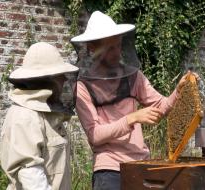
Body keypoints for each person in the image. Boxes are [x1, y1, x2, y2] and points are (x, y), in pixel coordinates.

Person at [71, 11, 197, 190]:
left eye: (118, 46)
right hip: (109, 170)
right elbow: (95, 135)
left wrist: (179, 91)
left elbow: (161, 106)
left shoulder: (133, 77)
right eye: (110, 48)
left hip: (140, 164)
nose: (117, 53)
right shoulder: (83, 87)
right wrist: (132, 118)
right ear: (92, 47)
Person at [0, 42, 78, 190]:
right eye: (60, 77)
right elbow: (32, 177)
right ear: (47, 79)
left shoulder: (44, 114)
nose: (64, 81)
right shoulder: (25, 116)